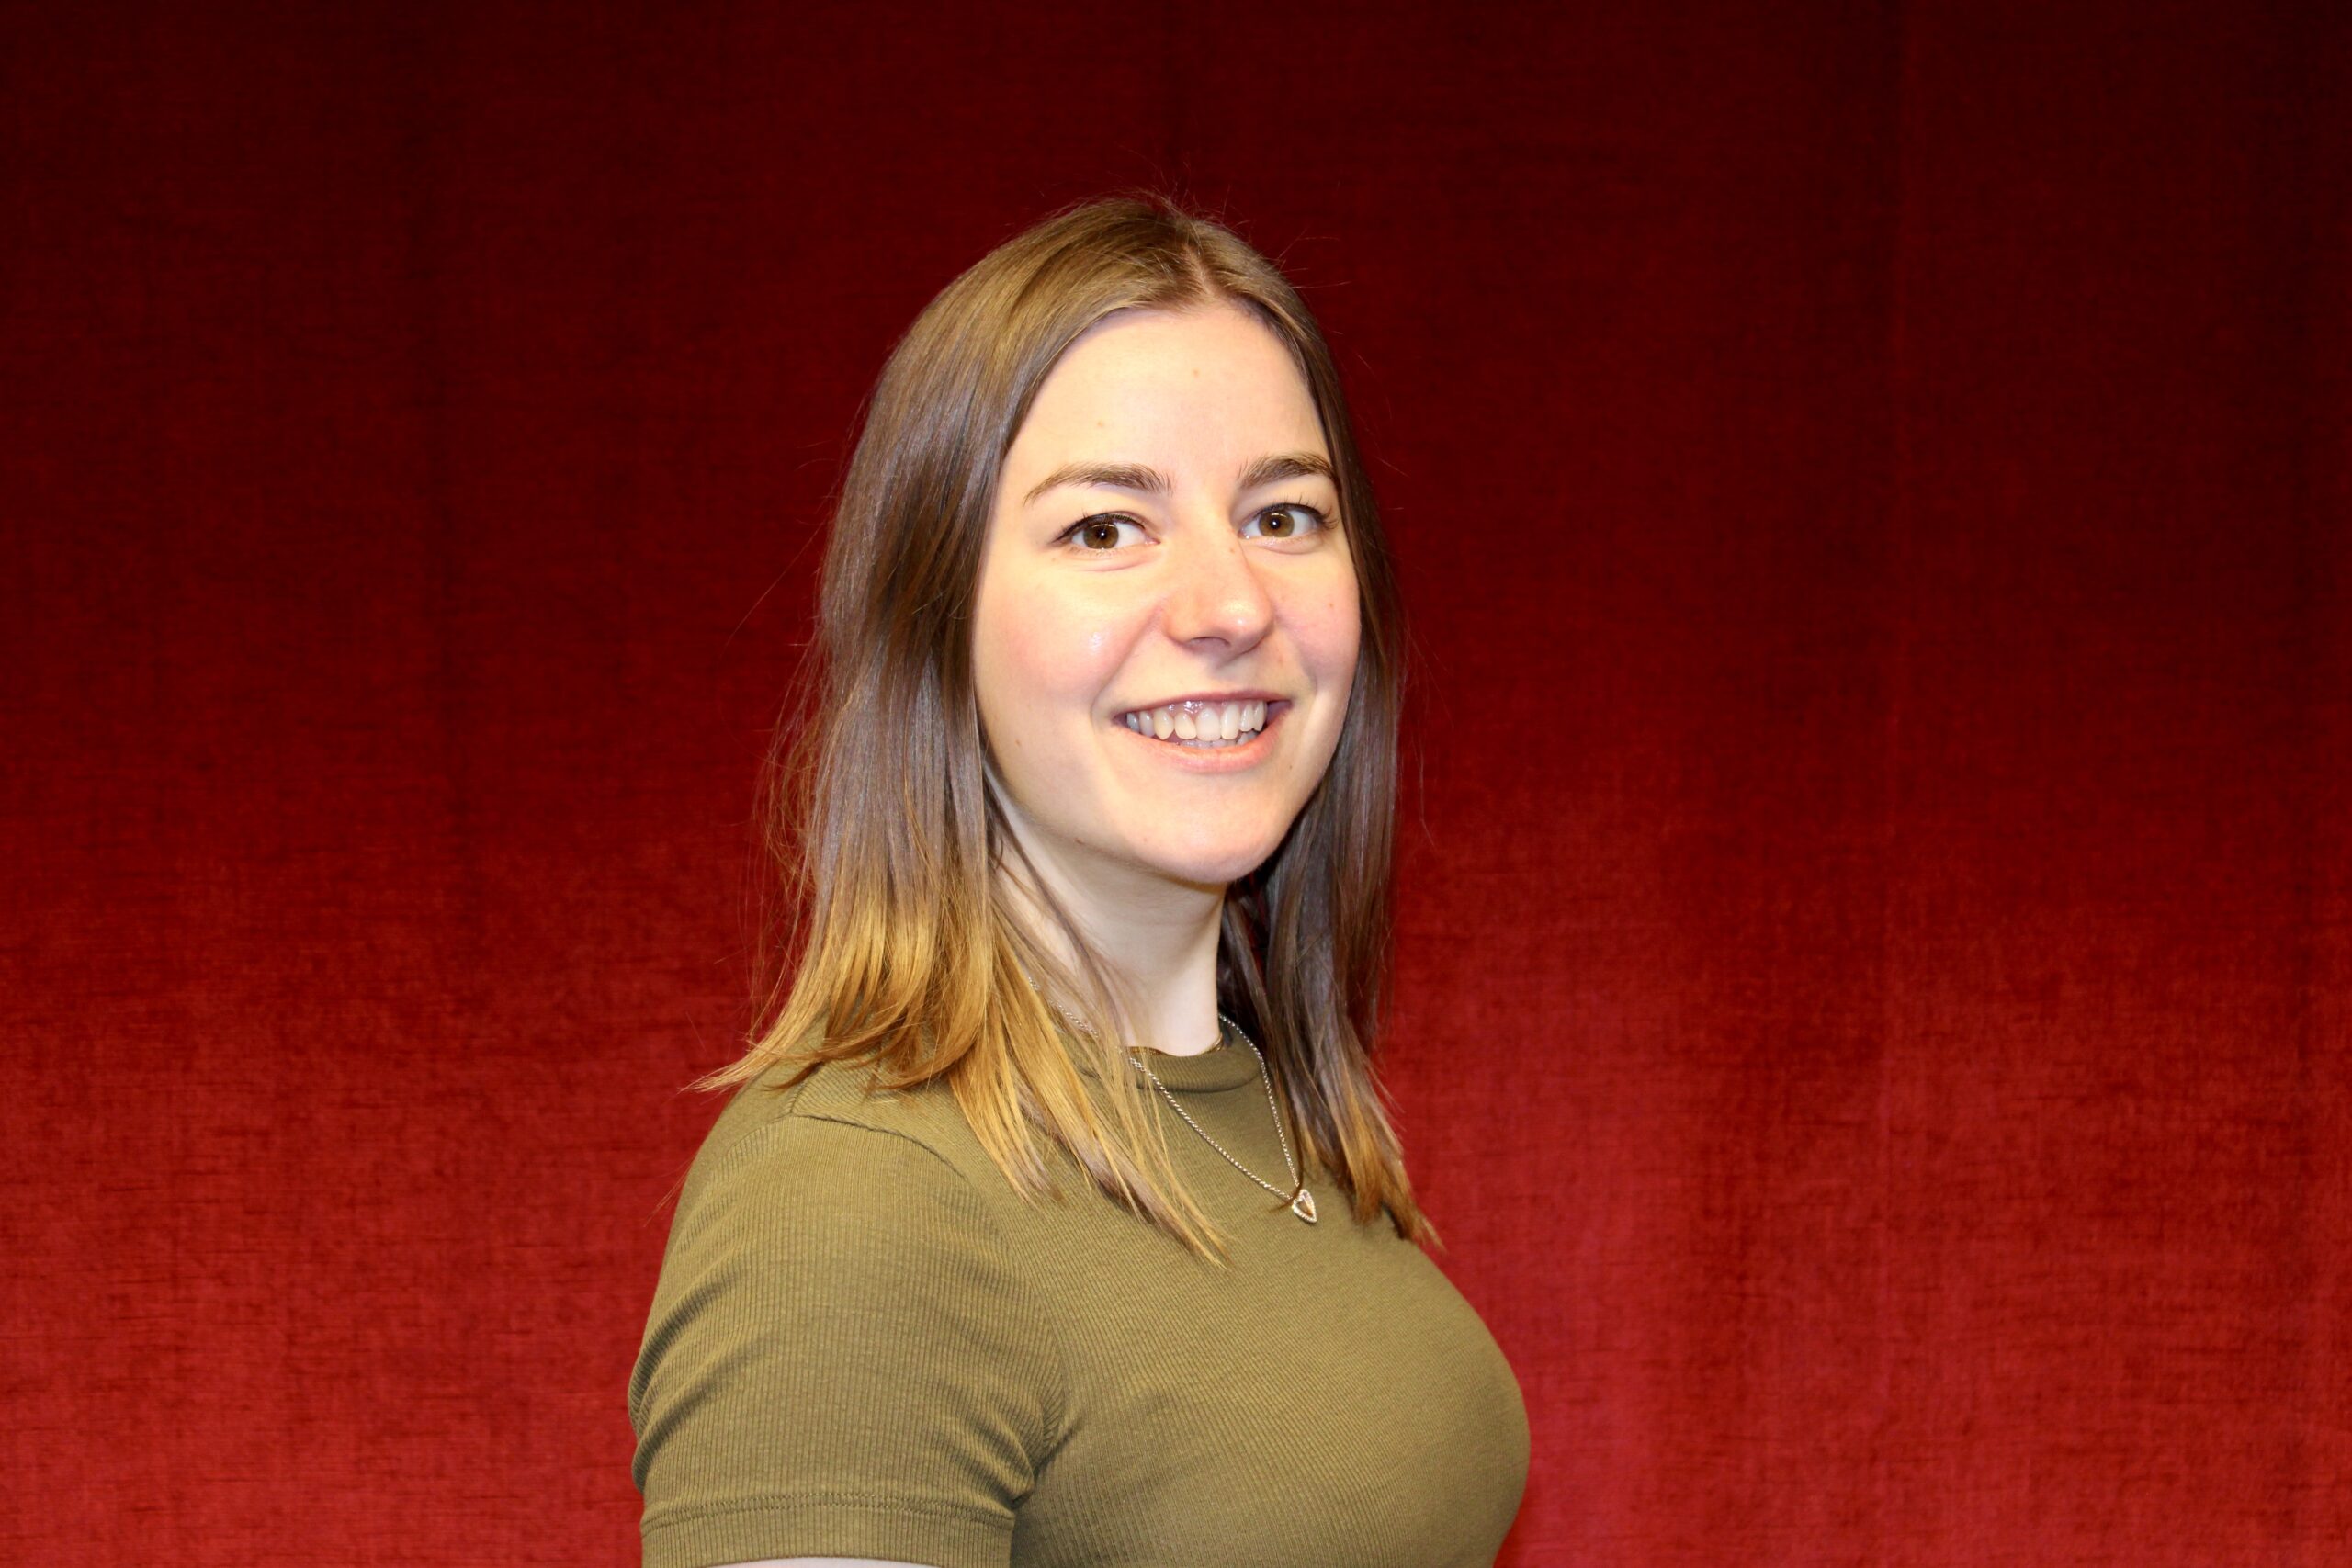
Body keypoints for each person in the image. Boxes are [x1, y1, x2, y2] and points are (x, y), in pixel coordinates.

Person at [628, 193, 1531, 1568]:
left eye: (1284, 514)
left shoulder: (1263, 1109)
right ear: (934, 621)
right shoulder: (858, 1204)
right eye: (1106, 529)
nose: (1232, 605)